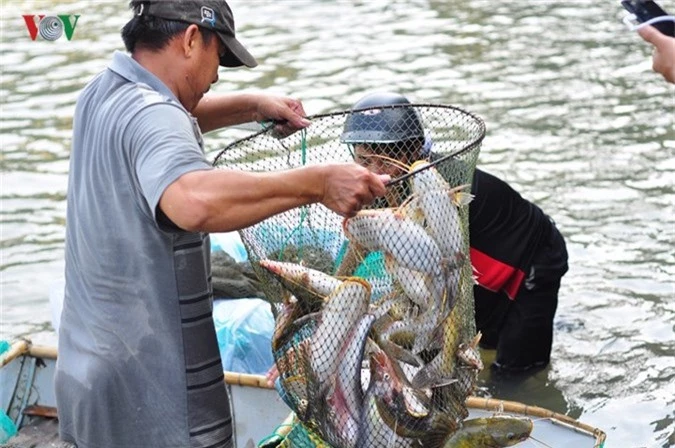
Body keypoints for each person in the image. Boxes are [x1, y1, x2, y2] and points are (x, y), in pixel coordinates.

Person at [54, 1, 388, 447]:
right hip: (155, 392)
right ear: (192, 39)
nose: (216, 76)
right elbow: (192, 200)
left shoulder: (102, 93)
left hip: (87, 379)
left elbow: (168, 119)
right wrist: (317, 183)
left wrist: (252, 106)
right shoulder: (155, 114)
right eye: (218, 58)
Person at [340, 92, 569, 374]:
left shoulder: (434, 185)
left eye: (384, 160)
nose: (374, 172)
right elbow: (367, 237)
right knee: (483, 342)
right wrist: (339, 282)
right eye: (364, 161)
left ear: (412, 152)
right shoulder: (381, 184)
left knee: (512, 373)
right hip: (476, 268)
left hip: (532, 257)